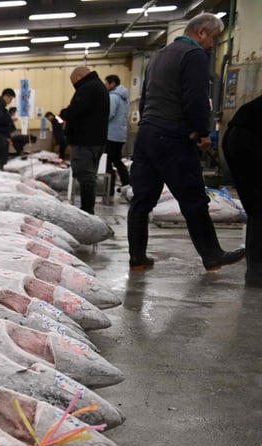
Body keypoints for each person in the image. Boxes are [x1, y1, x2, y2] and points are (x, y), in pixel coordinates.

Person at [129, 14, 244, 271]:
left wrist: (148, 123)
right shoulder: (193, 55)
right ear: (201, 32)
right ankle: (212, 255)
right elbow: (196, 99)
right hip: (172, 136)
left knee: (142, 199)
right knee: (193, 198)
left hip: (146, 134)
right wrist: (203, 132)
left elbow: (145, 98)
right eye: (213, 38)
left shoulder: (159, 55)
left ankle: (137, 257)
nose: (213, 44)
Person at [223, 94, 262, 286]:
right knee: (259, 208)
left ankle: (255, 270)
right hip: (248, 139)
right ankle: (256, 273)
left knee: (255, 209)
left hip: (233, 137)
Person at [60, 66, 109, 214]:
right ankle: (88, 209)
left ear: (80, 77)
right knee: (88, 176)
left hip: (85, 141)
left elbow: (75, 112)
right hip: (96, 140)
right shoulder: (98, 87)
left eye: (74, 82)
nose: (74, 86)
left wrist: (64, 112)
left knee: (85, 176)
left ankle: (87, 211)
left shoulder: (88, 88)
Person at [104, 74, 131, 197]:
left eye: (106, 84)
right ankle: (127, 183)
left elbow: (109, 114)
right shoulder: (124, 98)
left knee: (108, 162)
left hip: (111, 134)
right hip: (120, 135)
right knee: (117, 160)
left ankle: (108, 189)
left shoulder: (113, 97)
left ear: (112, 84)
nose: (105, 86)